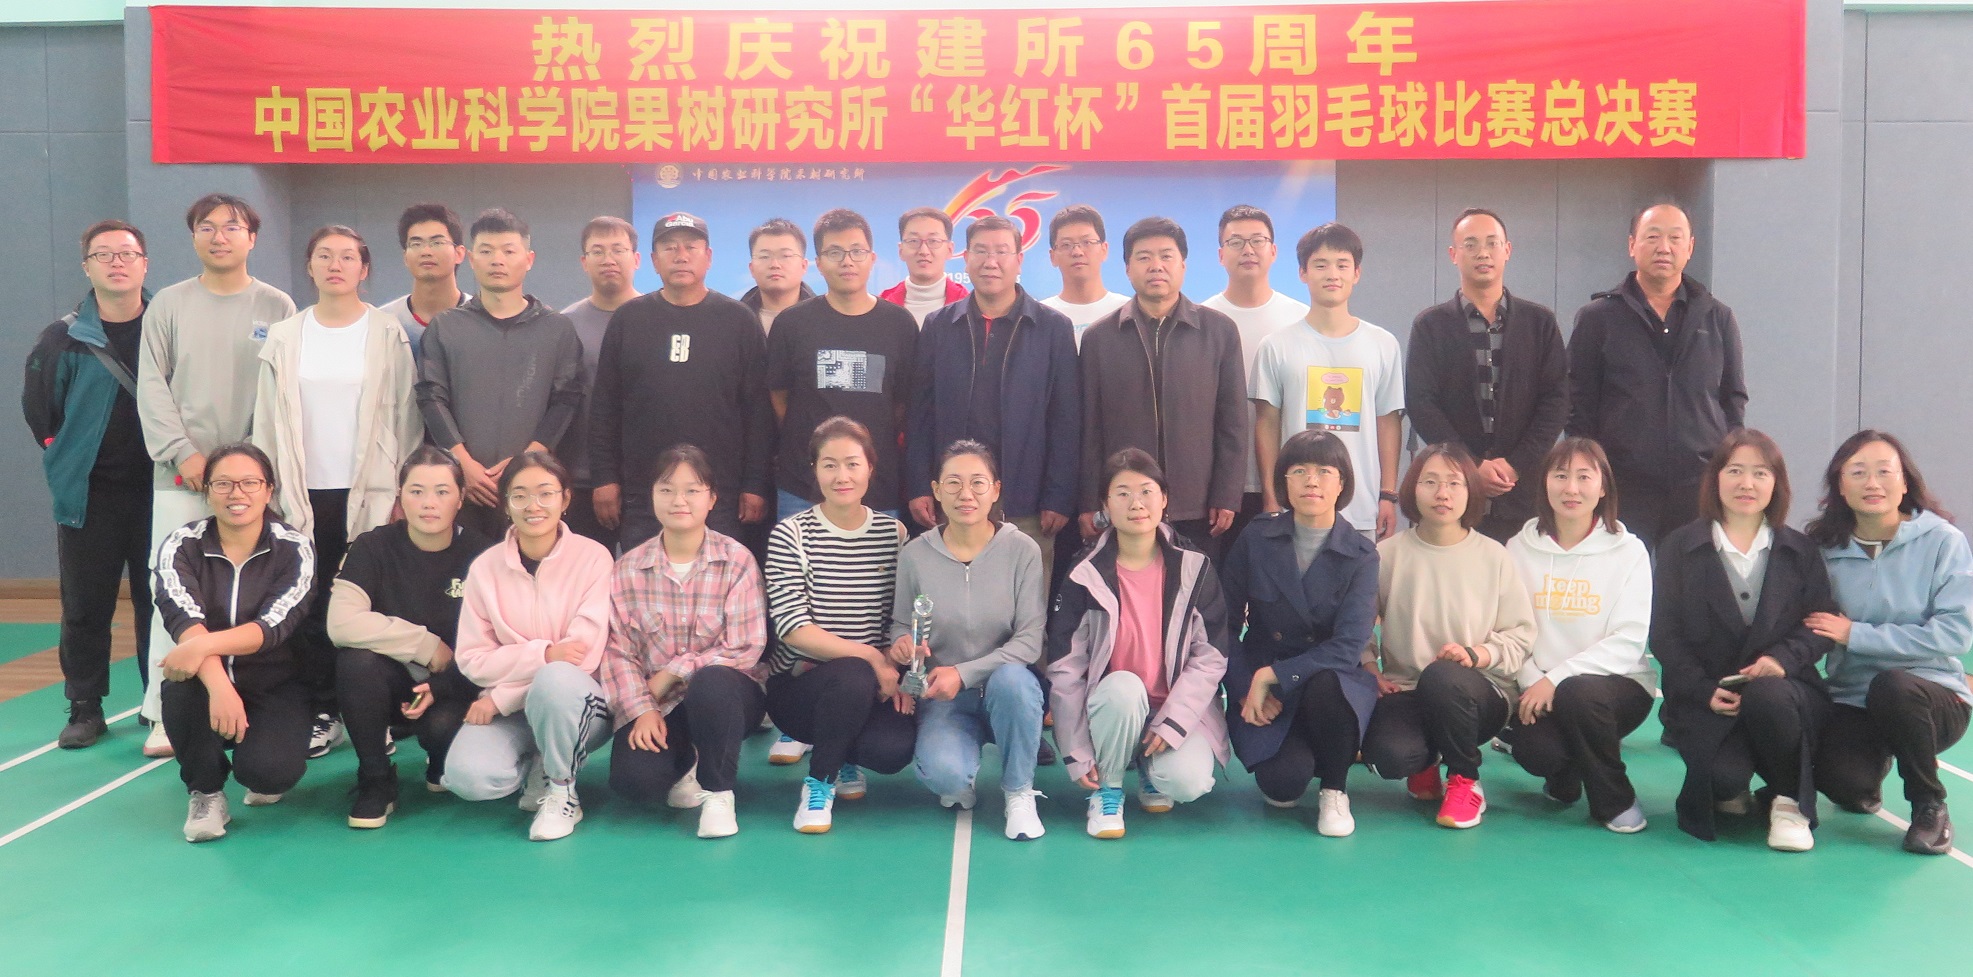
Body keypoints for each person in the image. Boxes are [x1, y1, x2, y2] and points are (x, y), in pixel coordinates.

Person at [252, 225, 422, 760]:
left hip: (371, 492)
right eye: (324, 255)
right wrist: (268, 490)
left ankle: (376, 710)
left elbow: (407, 415)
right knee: (311, 604)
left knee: (371, 602)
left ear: (364, 269)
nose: (335, 265)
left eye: (348, 256)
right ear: (309, 266)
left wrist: (403, 491)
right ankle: (324, 709)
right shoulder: (286, 335)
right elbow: (266, 418)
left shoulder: (386, 332)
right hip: (302, 493)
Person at [137, 193, 296, 755]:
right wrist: (185, 455)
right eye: (207, 226)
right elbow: (151, 385)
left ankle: (251, 701)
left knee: (250, 594)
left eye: (232, 226)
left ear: (252, 237)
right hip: (181, 476)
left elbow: (281, 393)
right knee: (173, 592)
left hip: (250, 481)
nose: (220, 236)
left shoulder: (277, 306)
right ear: (194, 237)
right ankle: (165, 710)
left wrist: (243, 469)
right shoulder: (169, 304)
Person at [1651, 429, 1833, 850]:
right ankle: (1737, 783)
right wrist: (1703, 690)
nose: (1746, 483)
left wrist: (1782, 660)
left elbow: (1819, 624)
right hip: (1709, 698)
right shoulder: (1679, 547)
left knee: (1769, 695)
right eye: (1735, 470)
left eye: (1760, 473)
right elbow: (1665, 634)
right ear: (1715, 478)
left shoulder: (1800, 550)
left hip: (1784, 694)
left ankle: (1789, 802)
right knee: (1723, 780)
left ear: (1777, 484)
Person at [1048, 449, 1229, 839]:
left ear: (1164, 500)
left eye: (1147, 491)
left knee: (1188, 782)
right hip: (1111, 706)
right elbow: (1065, 668)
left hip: (1173, 705)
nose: (1136, 504)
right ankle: (1109, 788)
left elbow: (1210, 657)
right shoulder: (1084, 574)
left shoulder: (1194, 567)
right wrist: (1077, 751)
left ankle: (1150, 769)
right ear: (1105, 506)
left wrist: (1174, 722)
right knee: (1124, 689)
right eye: (1123, 493)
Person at [1807, 431, 1972, 855]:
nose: (1872, 483)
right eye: (1858, 472)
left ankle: (1929, 805)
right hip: (1853, 697)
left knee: (1894, 686)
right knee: (1842, 784)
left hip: (1932, 697)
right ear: (1840, 485)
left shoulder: (1943, 542)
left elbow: (1955, 633)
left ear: (1904, 482)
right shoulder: (1822, 550)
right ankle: (1870, 771)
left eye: (1885, 472)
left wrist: (1856, 635)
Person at [23, 219, 155, 749]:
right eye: (104, 254)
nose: (117, 262)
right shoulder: (62, 338)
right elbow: (40, 412)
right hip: (90, 494)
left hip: (161, 491)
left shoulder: (168, 325)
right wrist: (67, 457)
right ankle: (85, 706)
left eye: (127, 253)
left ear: (144, 263)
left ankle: (160, 702)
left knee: (160, 601)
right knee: (85, 605)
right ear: (87, 267)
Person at [1362, 443, 1536, 829]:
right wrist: (1369, 667)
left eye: (1454, 483)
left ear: (1471, 491)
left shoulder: (1494, 556)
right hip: (1407, 689)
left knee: (1442, 675)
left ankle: (1465, 780)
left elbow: (1521, 636)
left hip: (1480, 693)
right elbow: (1357, 627)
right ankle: (1427, 758)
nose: (1443, 493)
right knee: (1390, 756)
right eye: (1431, 482)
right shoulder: (1386, 554)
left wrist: (1475, 655)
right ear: (1413, 489)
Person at [443, 451, 615, 842]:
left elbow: (582, 655)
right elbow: (472, 659)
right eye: (519, 495)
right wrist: (544, 655)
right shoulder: (485, 568)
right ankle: (541, 760)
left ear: (565, 499)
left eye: (545, 493)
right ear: (505, 504)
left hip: (577, 704)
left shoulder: (593, 558)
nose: (533, 506)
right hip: (518, 711)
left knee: (556, 681)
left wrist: (502, 697)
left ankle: (562, 790)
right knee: (469, 777)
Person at [604, 446, 770, 839]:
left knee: (712, 681)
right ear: (652, 496)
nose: (679, 500)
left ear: (712, 498)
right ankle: (688, 757)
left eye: (692, 490)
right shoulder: (628, 569)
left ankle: (719, 793)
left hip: (728, 697)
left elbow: (745, 647)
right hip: (661, 703)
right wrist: (642, 709)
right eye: (666, 490)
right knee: (635, 781)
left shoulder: (737, 561)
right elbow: (617, 652)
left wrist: (674, 671)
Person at [1219, 431, 1378, 837]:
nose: (1312, 481)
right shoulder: (1256, 537)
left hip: (1330, 683)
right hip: (1265, 687)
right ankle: (1303, 756)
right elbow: (1223, 624)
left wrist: (1271, 674)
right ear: (1283, 482)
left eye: (1325, 471)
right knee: (1282, 785)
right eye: (1300, 471)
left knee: (1328, 683)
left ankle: (1335, 788)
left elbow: (1347, 647)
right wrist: (1244, 686)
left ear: (1341, 484)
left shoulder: (1362, 554)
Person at [153, 444, 314, 842]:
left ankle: (258, 762)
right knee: (179, 685)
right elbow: (183, 618)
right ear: (207, 491)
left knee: (269, 774)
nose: (236, 493)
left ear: (268, 489)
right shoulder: (181, 545)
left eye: (249, 483)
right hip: (203, 682)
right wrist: (220, 685)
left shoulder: (294, 547)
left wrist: (199, 647)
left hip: (274, 683)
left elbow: (272, 627)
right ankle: (206, 793)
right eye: (223, 484)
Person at [328, 446, 495, 828]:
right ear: (400, 496)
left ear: (460, 498)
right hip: (391, 681)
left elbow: (495, 642)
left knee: (443, 730)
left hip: (458, 681)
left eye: (442, 491)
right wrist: (426, 646)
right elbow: (341, 623)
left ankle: (440, 760)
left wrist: (444, 682)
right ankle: (375, 778)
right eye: (417, 491)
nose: (429, 503)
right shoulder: (372, 546)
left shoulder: (484, 555)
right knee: (355, 662)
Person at [763, 417, 915, 833]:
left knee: (892, 751)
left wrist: (898, 668)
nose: (842, 476)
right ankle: (820, 782)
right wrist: (870, 658)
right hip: (800, 688)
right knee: (851, 673)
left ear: (870, 468)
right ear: (814, 470)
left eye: (852, 464)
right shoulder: (791, 534)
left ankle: (847, 753)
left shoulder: (893, 533)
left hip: (872, 683)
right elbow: (792, 628)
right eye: (829, 465)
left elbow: (898, 618)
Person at [890, 441, 1048, 840]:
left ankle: (1019, 792)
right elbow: (900, 622)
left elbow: (1030, 641)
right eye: (953, 483)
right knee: (946, 778)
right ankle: (961, 772)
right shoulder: (914, 554)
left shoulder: (1023, 550)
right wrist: (903, 644)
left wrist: (963, 673)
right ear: (936, 491)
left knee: (1015, 682)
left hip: (1004, 688)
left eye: (978, 483)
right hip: (942, 697)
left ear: (995, 490)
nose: (966, 494)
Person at [907, 214, 1080, 577]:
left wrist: (1058, 495)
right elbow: (920, 415)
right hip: (954, 498)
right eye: (981, 251)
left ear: (1019, 259)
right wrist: (920, 485)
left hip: (1027, 501)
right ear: (965, 258)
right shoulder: (938, 326)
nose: (991, 261)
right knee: (953, 595)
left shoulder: (1052, 329)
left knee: (1024, 601)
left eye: (1002, 251)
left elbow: (1066, 419)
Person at [1567, 202, 1746, 550]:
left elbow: (1733, 398)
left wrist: (1728, 466)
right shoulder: (1598, 317)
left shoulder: (1717, 317)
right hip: (1622, 485)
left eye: (1675, 238)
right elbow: (1578, 401)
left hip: (1699, 485)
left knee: (1693, 576)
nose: (1664, 247)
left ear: (1690, 247)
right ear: (1632, 245)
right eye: (1652, 237)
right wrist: (1591, 472)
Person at [588, 212, 772, 550]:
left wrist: (755, 484)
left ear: (709, 257)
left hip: (720, 495)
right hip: (643, 494)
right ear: (654, 260)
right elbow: (605, 407)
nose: (681, 255)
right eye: (670, 248)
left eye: (691, 247)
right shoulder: (629, 319)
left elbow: (758, 412)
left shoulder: (739, 321)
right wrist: (605, 478)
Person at [1501, 437, 1655, 833]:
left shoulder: (1629, 551)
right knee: (1536, 751)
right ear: (1545, 484)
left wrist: (1556, 679)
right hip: (1538, 685)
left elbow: (1628, 640)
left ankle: (1615, 801)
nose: (1571, 488)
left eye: (1584, 477)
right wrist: (1533, 680)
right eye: (1561, 476)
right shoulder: (1518, 549)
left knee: (1579, 693)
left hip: (1616, 686)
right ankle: (1564, 775)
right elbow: (1508, 628)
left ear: (1603, 488)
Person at [1078, 216, 1247, 559]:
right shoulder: (1099, 338)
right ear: (1127, 269)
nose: (1156, 266)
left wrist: (1227, 494)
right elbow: (1089, 428)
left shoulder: (1219, 331)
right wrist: (1088, 500)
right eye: (1144, 257)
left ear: (1183, 265)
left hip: (1198, 506)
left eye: (1166, 256)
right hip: (1124, 505)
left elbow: (1232, 423)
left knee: (1196, 589)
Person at [415, 208, 585, 540]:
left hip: (532, 492)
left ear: (529, 259)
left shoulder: (557, 329)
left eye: (508, 251)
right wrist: (463, 463)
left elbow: (566, 399)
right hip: (464, 487)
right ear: (471, 259)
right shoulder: (446, 327)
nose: (497, 260)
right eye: (486, 251)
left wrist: (528, 459)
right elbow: (431, 396)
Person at [1407, 208, 1569, 543]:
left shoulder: (1539, 323)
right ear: (1453, 254)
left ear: (1507, 250)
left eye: (1492, 243)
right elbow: (1422, 403)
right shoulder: (1430, 326)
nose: (1482, 253)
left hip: (1524, 488)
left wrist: (1515, 464)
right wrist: (1470, 465)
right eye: (1470, 244)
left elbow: (1556, 401)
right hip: (1454, 490)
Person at [1252, 223, 1404, 542]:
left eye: (1342, 265)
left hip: (1361, 509)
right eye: (1320, 265)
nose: (1332, 274)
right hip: (1294, 508)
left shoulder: (1383, 344)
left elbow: (1388, 421)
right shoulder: (1276, 346)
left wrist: (1387, 495)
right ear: (1303, 273)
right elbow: (1267, 423)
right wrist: (1271, 497)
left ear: (1356, 273)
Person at [769, 209, 918, 520]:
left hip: (877, 489)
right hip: (802, 488)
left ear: (872, 258)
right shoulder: (791, 324)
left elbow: (902, 405)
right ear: (819, 263)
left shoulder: (899, 324)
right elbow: (779, 398)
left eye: (856, 251)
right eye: (835, 252)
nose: (847, 261)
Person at [1202, 204, 1310, 549]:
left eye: (1257, 240)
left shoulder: (1302, 320)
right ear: (1221, 255)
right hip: (1216, 488)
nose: (1248, 250)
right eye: (1236, 242)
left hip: (1287, 483)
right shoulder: (1200, 320)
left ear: (1274, 251)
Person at [557, 215, 642, 551]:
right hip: (581, 479)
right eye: (598, 251)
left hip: (647, 479)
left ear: (636, 259)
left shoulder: (658, 319)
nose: (609, 259)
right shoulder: (564, 325)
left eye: (618, 250)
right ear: (584, 262)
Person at [378, 202, 470, 355]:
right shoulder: (383, 321)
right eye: (416, 244)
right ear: (405, 257)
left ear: (459, 254)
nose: (426, 251)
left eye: (437, 243)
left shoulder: (481, 319)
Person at [1039, 204, 1129, 345]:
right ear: (1053, 256)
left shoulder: (1127, 312)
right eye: (1066, 245)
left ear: (1104, 250)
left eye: (1087, 242)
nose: (1077, 252)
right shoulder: (1040, 317)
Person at [879, 206, 967, 325]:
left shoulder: (969, 307)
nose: (924, 251)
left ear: (950, 250)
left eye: (933, 241)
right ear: (901, 251)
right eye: (913, 241)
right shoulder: (881, 307)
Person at [739, 217, 816, 336]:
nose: (775, 265)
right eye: (764, 256)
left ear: (804, 266)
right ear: (751, 268)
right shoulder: (734, 321)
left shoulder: (825, 318)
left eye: (785, 256)